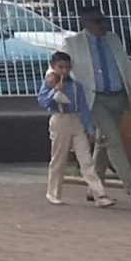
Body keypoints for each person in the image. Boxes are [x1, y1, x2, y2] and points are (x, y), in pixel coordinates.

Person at [63, 6, 131, 200]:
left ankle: (94, 186)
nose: (103, 24)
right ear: (85, 23)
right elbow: (60, 67)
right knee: (113, 140)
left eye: (103, 20)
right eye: (97, 21)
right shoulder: (73, 43)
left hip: (118, 97)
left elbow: (127, 66)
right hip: (95, 99)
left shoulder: (113, 39)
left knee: (104, 142)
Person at [38, 49, 112, 206]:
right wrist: (53, 91)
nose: (64, 71)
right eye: (60, 67)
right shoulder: (49, 83)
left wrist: (90, 128)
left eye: (67, 67)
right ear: (53, 66)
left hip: (76, 120)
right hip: (59, 119)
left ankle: (100, 195)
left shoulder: (76, 86)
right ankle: (53, 193)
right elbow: (44, 102)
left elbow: (84, 107)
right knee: (59, 158)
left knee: (86, 159)